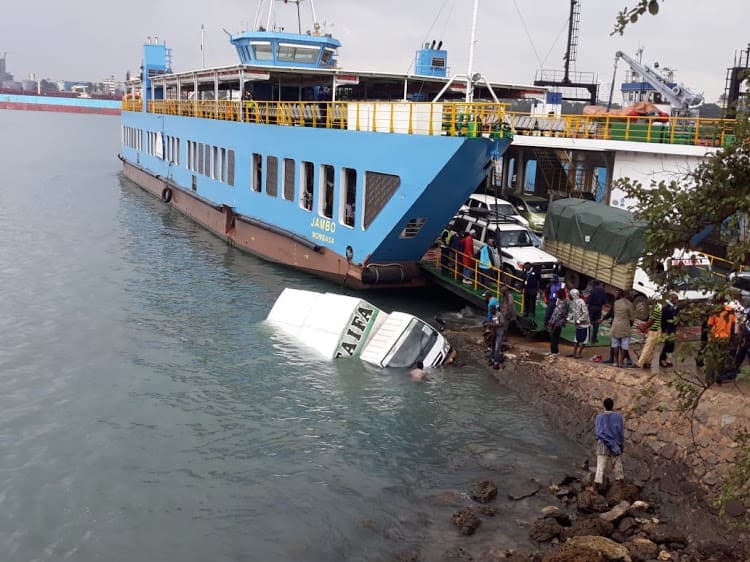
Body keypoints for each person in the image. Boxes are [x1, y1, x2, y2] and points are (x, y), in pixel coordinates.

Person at [592, 398, 625, 493]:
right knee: (617, 465)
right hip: (615, 445)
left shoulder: (599, 417)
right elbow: (620, 433)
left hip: (603, 444)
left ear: (604, 406)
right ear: (613, 406)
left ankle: (595, 489)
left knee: (600, 467)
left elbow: (598, 433)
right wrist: (620, 445)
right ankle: (620, 484)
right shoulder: (618, 417)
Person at [602, 290, 635, 367]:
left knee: (615, 345)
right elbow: (632, 317)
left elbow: (612, 313)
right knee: (624, 346)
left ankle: (616, 362)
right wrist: (631, 324)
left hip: (615, 325)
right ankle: (621, 362)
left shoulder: (616, 303)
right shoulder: (629, 304)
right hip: (625, 326)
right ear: (627, 295)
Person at [637, 298, 663, 369]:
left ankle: (640, 363)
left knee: (647, 347)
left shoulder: (657, 308)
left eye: (649, 299)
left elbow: (652, 320)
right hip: (655, 329)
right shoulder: (655, 307)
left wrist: (643, 327)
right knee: (652, 348)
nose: (648, 300)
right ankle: (647, 362)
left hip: (655, 330)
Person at [568, 288, 591, 359]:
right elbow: (574, 312)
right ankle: (574, 353)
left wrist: (579, 320)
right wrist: (569, 317)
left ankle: (579, 353)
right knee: (576, 339)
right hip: (578, 324)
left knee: (584, 340)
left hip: (584, 324)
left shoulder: (581, 302)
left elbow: (585, 313)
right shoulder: (573, 302)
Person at [658, 294, 679, 368]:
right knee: (667, 345)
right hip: (667, 329)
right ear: (671, 299)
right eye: (675, 298)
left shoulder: (676, 308)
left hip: (673, 328)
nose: (677, 300)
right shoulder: (666, 308)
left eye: (677, 298)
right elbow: (662, 320)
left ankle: (668, 359)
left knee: (671, 345)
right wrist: (664, 330)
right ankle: (662, 359)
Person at [547, 288, 569, 356]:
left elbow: (560, 314)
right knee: (552, 337)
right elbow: (555, 312)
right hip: (554, 322)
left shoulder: (565, 304)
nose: (557, 295)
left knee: (555, 337)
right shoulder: (560, 301)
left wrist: (553, 322)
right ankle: (552, 351)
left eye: (558, 294)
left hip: (558, 323)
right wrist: (551, 321)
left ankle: (555, 352)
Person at [490, 305, 506, 369]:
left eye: (491, 310)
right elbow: (492, 323)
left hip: (499, 334)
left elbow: (502, 324)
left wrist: (494, 325)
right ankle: (492, 360)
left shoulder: (499, 315)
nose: (490, 311)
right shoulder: (492, 315)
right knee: (493, 347)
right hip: (494, 334)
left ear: (494, 309)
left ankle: (496, 363)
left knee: (497, 349)